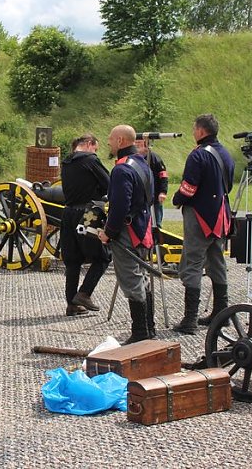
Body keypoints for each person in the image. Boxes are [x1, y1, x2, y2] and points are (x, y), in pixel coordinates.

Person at [171, 113, 234, 334]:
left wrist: (177, 199)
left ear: (200, 131)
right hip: (220, 215)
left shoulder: (198, 156)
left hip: (199, 216)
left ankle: (190, 320)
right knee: (216, 262)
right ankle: (221, 312)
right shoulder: (226, 153)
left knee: (192, 263)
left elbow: (189, 187)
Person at [97, 125, 156, 344]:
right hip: (142, 227)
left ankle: (140, 333)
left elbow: (120, 207)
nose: (109, 143)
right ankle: (149, 328)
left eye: (111, 139)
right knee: (142, 279)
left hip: (127, 231)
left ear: (121, 140)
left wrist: (108, 233)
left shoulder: (122, 169)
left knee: (131, 281)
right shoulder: (143, 164)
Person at [59, 134, 111, 316]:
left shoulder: (66, 162)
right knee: (102, 257)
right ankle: (84, 293)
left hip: (68, 213)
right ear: (89, 145)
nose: (95, 152)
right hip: (88, 213)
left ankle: (71, 304)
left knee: (73, 261)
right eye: (95, 148)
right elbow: (108, 184)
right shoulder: (90, 160)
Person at [134, 134, 169, 227]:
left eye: (139, 142)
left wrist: (163, 192)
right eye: (135, 142)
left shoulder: (155, 158)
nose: (137, 144)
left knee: (156, 223)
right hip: (140, 198)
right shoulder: (132, 159)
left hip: (155, 196)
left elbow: (163, 175)